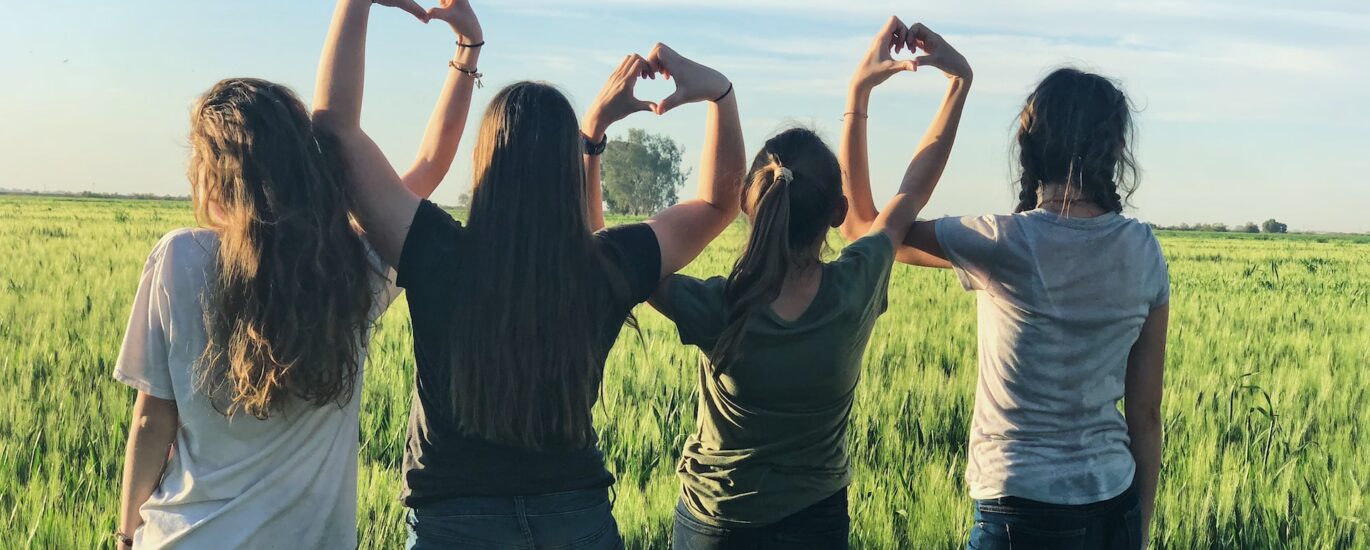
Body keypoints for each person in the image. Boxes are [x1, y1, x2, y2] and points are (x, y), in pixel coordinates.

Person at [311, 0, 747, 546]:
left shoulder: (434, 250)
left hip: (455, 524)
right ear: (567, 168)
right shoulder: (607, 265)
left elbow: (334, 131)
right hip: (577, 520)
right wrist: (718, 93)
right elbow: (716, 204)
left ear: (486, 162)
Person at [112, 18, 473, 546]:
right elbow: (430, 166)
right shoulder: (349, 268)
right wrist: (467, 50)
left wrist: (125, 536)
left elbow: (151, 421)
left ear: (213, 172)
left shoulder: (178, 258)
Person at [654, 17, 971, 549]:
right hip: (816, 522)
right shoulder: (856, 285)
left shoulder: (719, 304)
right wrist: (949, 82)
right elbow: (912, 190)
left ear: (750, 210)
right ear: (837, 212)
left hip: (716, 525)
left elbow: (624, 262)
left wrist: (594, 141)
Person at [840, 40, 1169, 550]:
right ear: (1115, 150)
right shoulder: (1144, 250)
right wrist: (1139, 532)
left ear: (1031, 145)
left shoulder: (1002, 242)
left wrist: (861, 94)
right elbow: (1146, 414)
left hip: (1020, 510)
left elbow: (864, 227)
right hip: (1115, 505)